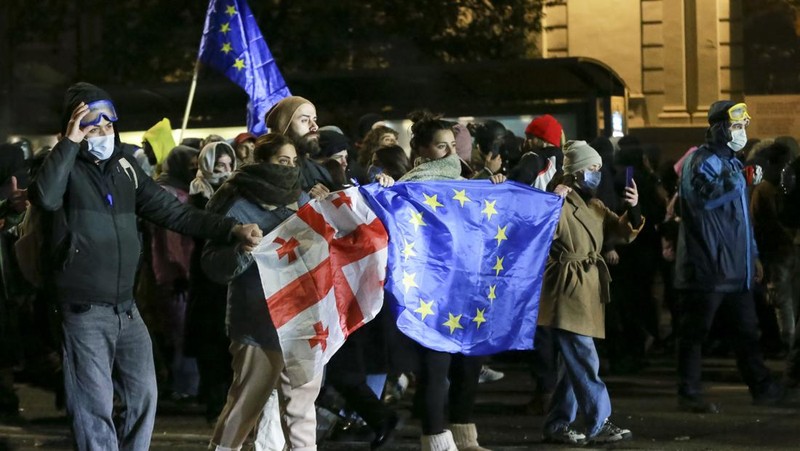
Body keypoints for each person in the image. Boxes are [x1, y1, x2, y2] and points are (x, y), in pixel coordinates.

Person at [28, 82, 262, 451]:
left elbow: (176, 213)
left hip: (126, 308)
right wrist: (69, 143)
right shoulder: (62, 165)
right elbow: (45, 196)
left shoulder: (126, 169)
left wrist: (231, 229)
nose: (103, 133)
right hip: (82, 310)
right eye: (92, 125)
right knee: (94, 407)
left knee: (144, 398)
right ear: (74, 127)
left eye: (108, 125)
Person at [400, 111, 504, 451]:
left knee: (469, 364)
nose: (449, 154)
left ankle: (464, 435)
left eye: (452, 146)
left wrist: (497, 192)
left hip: (466, 288)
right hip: (429, 291)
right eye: (440, 147)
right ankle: (436, 440)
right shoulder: (409, 187)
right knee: (435, 367)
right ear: (422, 151)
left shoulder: (470, 183)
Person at [674, 100, 784, 414]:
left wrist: (754, 256)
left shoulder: (734, 164)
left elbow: (742, 220)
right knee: (694, 333)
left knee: (747, 332)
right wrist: (741, 180)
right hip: (707, 266)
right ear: (720, 128)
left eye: (744, 126)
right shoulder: (700, 160)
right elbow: (705, 199)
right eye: (737, 126)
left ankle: (762, 387)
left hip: (736, 269)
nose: (742, 132)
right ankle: (689, 392)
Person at [536, 140, 637, 445]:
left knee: (573, 364)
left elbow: (621, 230)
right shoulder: (558, 202)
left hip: (585, 287)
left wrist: (634, 207)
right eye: (591, 168)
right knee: (584, 358)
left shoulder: (592, 204)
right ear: (576, 172)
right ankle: (599, 421)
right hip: (567, 287)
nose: (597, 173)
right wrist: (550, 203)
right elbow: (537, 232)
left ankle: (557, 424)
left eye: (598, 168)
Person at [184, 140, 239, 424]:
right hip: (207, 282)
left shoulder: (237, 196)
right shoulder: (196, 197)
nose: (226, 173)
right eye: (220, 167)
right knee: (211, 345)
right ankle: (215, 405)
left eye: (231, 166)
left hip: (230, 280)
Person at [266, 96, 334, 200]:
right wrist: (306, 199)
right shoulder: (267, 171)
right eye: (304, 120)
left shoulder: (320, 169)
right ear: (284, 126)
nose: (314, 126)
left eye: (314, 119)